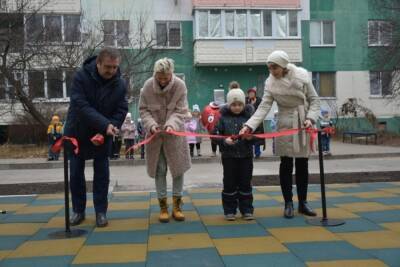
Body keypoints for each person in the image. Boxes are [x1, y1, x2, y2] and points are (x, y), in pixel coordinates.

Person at [240, 50, 320, 219]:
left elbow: (314, 100)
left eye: (274, 67)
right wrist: (249, 126)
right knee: (285, 164)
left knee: (302, 164)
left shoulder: (302, 76)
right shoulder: (271, 84)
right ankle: (288, 203)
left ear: (283, 66)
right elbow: (263, 108)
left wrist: (310, 119)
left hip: (302, 123)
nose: (272, 71)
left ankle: (303, 203)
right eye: (269, 68)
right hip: (284, 124)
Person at [64, 47, 128, 227]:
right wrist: (104, 125)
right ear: (98, 63)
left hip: (103, 133)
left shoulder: (120, 84)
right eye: (108, 67)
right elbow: (80, 106)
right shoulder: (81, 77)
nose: (112, 71)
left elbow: (122, 110)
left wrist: (106, 129)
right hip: (77, 131)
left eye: (115, 67)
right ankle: (78, 211)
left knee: (102, 173)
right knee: (76, 173)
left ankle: (101, 212)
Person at [139, 57, 191, 223]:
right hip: (155, 137)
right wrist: (151, 125)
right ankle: (163, 206)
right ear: (155, 74)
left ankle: (177, 205)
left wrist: (171, 125)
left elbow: (181, 110)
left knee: (178, 169)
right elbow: (143, 110)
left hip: (174, 135)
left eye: (165, 77)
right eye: (159, 77)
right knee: (159, 169)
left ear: (171, 74)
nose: (162, 81)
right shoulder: (147, 86)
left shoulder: (180, 86)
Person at [213, 89, 257, 221]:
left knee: (245, 182)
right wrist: (224, 141)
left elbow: (258, 135)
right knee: (229, 183)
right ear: (228, 105)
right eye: (233, 104)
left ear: (244, 104)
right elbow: (214, 135)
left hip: (246, 156)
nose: (237, 107)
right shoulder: (222, 118)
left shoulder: (249, 118)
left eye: (239, 104)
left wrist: (250, 138)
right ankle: (229, 210)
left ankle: (247, 209)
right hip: (229, 157)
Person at [246, 87, 265, 158]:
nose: (251, 94)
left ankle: (257, 153)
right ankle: (249, 152)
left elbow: (260, 110)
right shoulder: (246, 101)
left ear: (255, 94)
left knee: (257, 138)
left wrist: (253, 104)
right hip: (248, 122)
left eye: (252, 93)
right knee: (249, 138)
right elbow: (246, 109)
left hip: (257, 123)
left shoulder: (259, 100)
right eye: (250, 93)